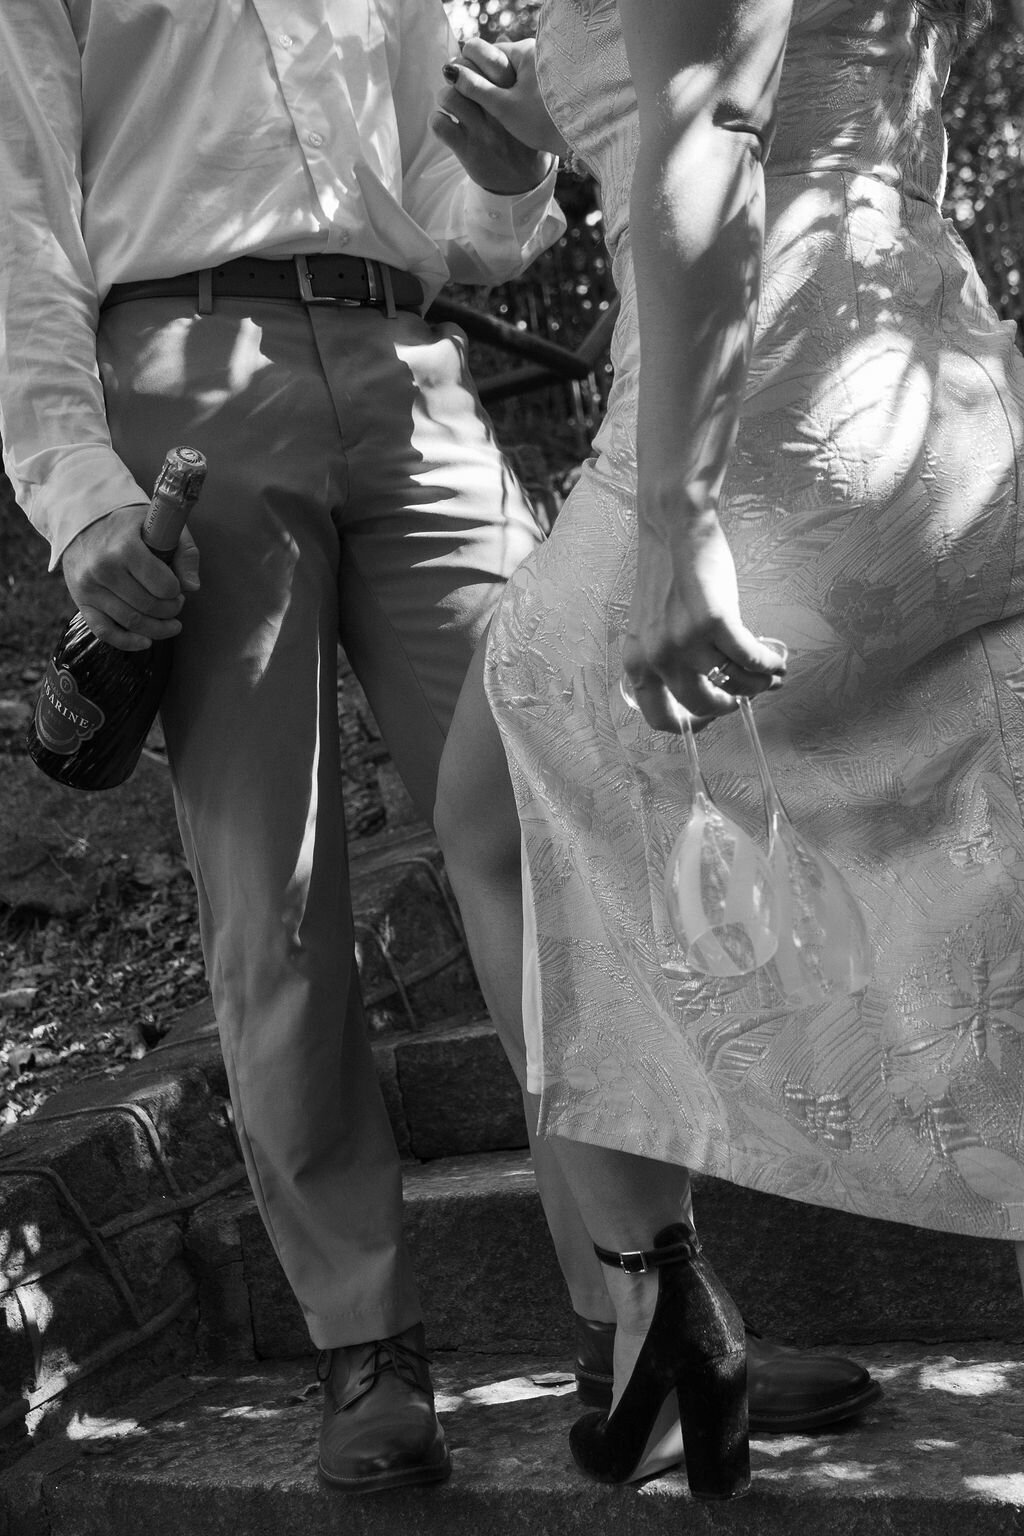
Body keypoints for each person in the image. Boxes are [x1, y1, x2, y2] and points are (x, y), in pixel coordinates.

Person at [435, 0, 1024, 1497]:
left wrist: (678, 526)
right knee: (955, 819)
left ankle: (656, 1291)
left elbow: (714, 131)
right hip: (924, 376)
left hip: (768, 402)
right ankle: (661, 1303)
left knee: (493, 816)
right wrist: (546, 126)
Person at [0, 0, 567, 1496]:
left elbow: (461, 211)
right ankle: (365, 1338)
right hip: (183, 363)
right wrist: (73, 488)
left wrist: (511, 172)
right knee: (274, 883)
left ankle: (653, 1286)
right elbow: (18, 214)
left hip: (410, 357)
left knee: (570, 811)